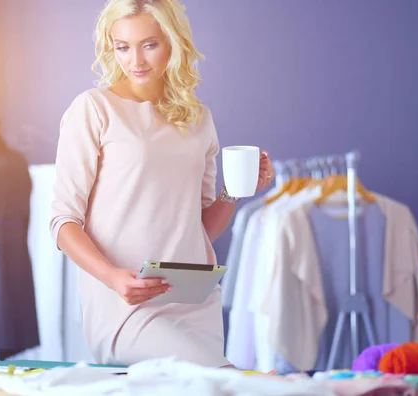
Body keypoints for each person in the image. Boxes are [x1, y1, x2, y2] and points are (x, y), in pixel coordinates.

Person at [49, 0, 274, 368]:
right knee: (231, 382)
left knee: (216, 386)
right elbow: (62, 223)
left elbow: (198, 228)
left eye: (149, 45)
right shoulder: (93, 109)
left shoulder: (198, 118)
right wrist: (112, 278)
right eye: (123, 47)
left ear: (173, 42)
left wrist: (235, 190)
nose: (135, 59)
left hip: (193, 301)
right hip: (125, 304)